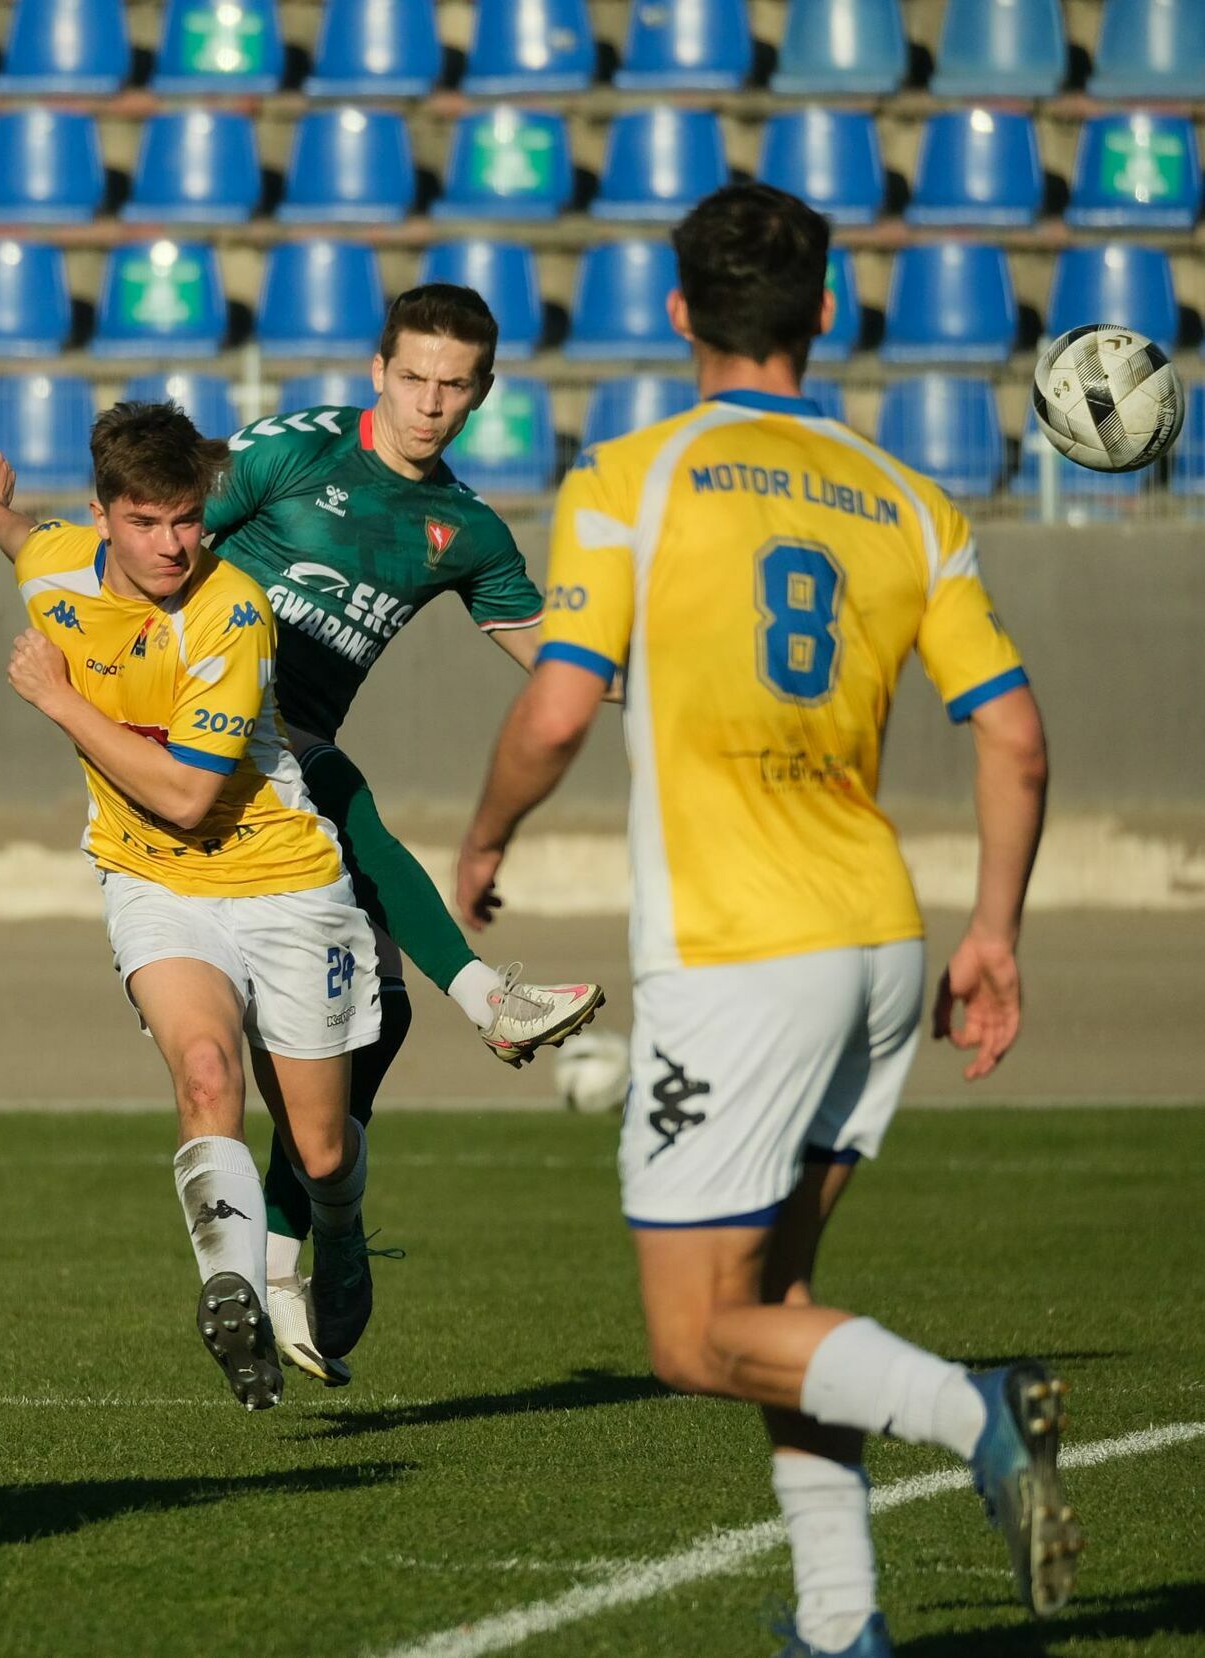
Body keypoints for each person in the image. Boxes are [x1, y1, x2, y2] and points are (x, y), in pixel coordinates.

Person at [455, 184, 1081, 1656]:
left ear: (678, 314)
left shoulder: (632, 475)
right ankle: (840, 1617)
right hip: (882, 936)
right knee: (781, 1298)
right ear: (829, 313)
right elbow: (1018, 739)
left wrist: (484, 834)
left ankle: (978, 1414)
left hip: (742, 954)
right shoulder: (914, 501)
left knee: (693, 1338)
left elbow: (555, 703)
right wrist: (995, 931)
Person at [202, 281, 603, 1382]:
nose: (429, 402)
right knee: (335, 780)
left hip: (288, 783)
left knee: (370, 1010)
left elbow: (562, 664)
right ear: (378, 368)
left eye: (453, 385)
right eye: (413, 376)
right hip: (206, 734)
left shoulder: (464, 530)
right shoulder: (293, 450)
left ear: (482, 395)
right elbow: (165, 540)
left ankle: (307, 1238)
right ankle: (487, 997)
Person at [0, 402, 382, 1413]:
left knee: (321, 1148)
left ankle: (342, 1222)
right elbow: (27, 540)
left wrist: (62, 701)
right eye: (145, 521)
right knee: (204, 1071)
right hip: (155, 881)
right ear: (102, 515)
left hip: (283, 882)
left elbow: (190, 797)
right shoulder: (56, 561)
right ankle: (232, 1292)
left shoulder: (230, 612)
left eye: (188, 518)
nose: (172, 544)